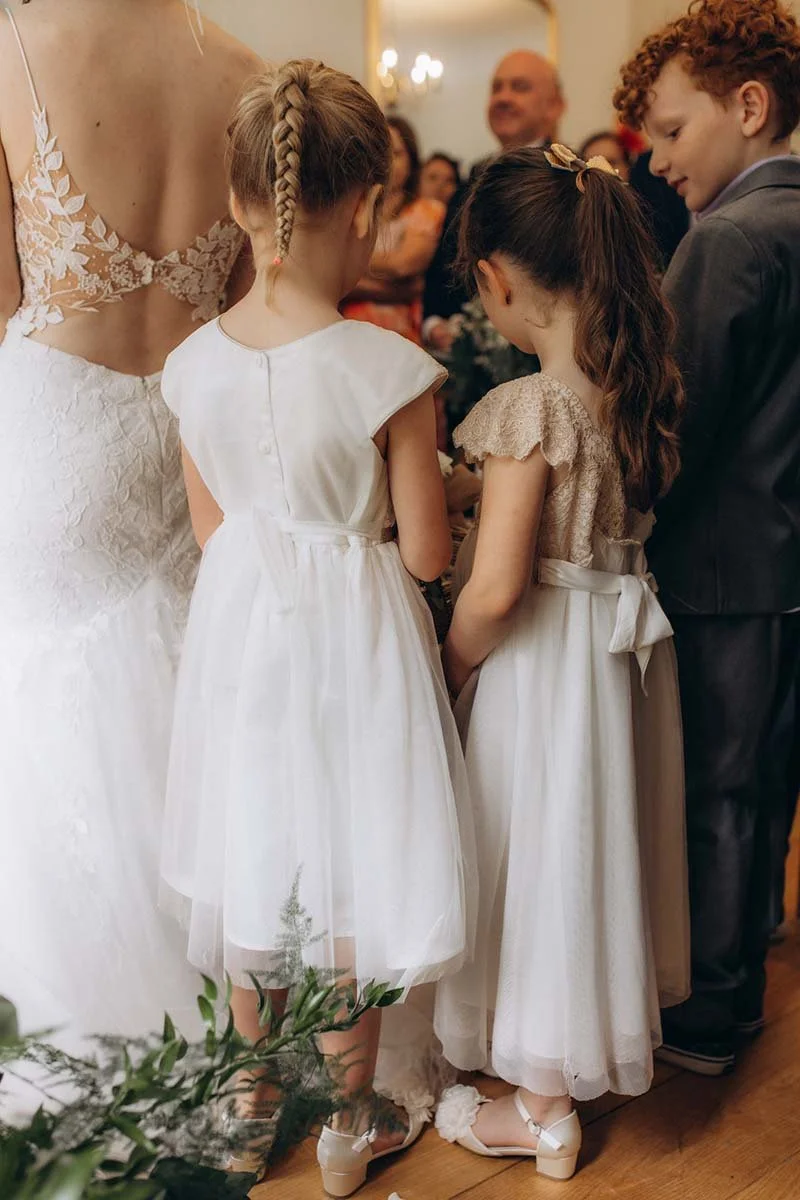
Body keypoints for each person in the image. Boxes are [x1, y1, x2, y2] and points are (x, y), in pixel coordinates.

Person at [158, 60, 475, 1193]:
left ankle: (248, 1108)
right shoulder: (390, 367)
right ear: (365, 211)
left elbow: (212, 537)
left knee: (262, 862)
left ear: (238, 204)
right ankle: (345, 1121)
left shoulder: (189, 368)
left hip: (243, 650)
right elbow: (429, 554)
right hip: (360, 649)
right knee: (349, 875)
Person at [0, 0, 261, 1042]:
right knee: (184, 699)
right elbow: (249, 306)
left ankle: (90, 1030)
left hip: (53, 435)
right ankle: (232, 1031)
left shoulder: (14, 41)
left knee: (50, 718)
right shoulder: (245, 71)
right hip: (193, 439)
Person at [432, 144, 690, 1178]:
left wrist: (449, 668)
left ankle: (538, 1107)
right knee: (582, 848)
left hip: (544, 664)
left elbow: (495, 586)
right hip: (615, 658)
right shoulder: (630, 384)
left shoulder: (529, 406)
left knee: (534, 853)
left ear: (493, 279)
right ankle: (558, 1071)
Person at [615, 0, 800, 1075]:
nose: (654, 157)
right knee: (762, 781)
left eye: (670, 131)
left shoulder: (726, 240)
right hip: (783, 563)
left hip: (728, 569)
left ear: (747, 104)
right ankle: (748, 942)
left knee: (716, 793)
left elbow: (670, 425)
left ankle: (711, 1011)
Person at [424, 50, 564, 355]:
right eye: (496, 88)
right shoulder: (473, 177)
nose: (503, 97)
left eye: (519, 87)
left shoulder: (568, 178)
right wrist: (434, 322)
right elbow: (444, 267)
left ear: (554, 106)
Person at [342, 115, 444, 344]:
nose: (386, 160)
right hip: (346, 331)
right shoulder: (351, 210)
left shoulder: (427, 209)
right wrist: (393, 290)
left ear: (412, 160)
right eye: (380, 151)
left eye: (396, 153)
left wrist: (349, 269)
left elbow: (402, 265)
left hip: (399, 335)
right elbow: (329, 269)